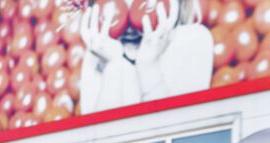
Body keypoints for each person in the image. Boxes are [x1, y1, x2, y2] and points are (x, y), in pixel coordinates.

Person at [78, 0, 213, 115]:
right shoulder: (97, 56)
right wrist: (113, 68)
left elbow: (179, 135)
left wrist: (150, 66)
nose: (130, 10)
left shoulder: (193, 39)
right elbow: (101, 140)